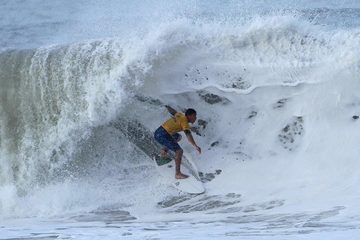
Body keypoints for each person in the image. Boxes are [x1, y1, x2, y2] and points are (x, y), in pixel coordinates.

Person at [154, 105, 201, 179]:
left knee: (177, 137)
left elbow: (173, 112)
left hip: (159, 132)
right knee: (179, 151)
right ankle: (178, 174)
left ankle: (163, 152)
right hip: (162, 135)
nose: (195, 118)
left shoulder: (180, 115)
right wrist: (195, 146)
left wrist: (166, 106)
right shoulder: (184, 122)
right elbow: (189, 136)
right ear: (190, 116)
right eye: (194, 116)